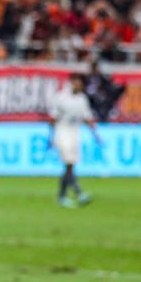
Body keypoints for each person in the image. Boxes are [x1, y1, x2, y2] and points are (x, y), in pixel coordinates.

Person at [49, 73, 101, 208]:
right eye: (77, 82)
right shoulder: (61, 97)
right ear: (71, 82)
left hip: (74, 133)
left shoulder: (82, 99)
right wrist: (51, 137)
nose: (79, 85)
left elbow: (87, 118)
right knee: (69, 163)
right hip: (62, 131)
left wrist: (96, 135)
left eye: (81, 84)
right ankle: (78, 193)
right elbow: (53, 118)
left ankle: (62, 196)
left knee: (70, 166)